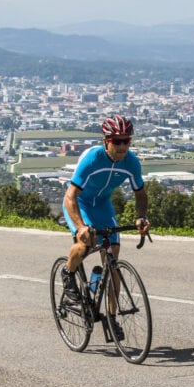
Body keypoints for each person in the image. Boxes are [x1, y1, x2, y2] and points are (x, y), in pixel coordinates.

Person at [60, 115, 151, 336]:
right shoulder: (92, 159)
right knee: (86, 243)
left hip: (102, 206)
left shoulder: (131, 162)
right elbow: (70, 197)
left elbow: (140, 195)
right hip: (80, 204)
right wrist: (81, 226)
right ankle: (67, 273)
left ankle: (111, 318)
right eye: (116, 141)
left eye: (126, 141)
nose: (121, 146)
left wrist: (141, 217)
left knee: (113, 260)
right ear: (106, 140)